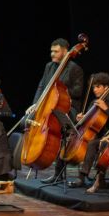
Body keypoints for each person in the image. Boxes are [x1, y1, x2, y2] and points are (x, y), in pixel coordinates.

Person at [27, 38, 86, 182]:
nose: (52, 54)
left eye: (56, 51)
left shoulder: (74, 68)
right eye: (51, 51)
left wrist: (60, 91)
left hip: (67, 107)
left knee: (61, 135)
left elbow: (78, 91)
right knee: (29, 121)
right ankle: (34, 158)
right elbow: (42, 86)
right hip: (49, 105)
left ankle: (58, 174)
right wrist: (35, 104)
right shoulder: (49, 66)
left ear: (65, 51)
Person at [68, 73, 109, 188]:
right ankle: (85, 177)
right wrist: (82, 118)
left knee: (93, 144)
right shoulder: (94, 102)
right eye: (93, 87)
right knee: (72, 140)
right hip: (95, 134)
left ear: (107, 87)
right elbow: (89, 121)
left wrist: (106, 109)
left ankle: (82, 177)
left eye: (98, 86)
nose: (94, 89)